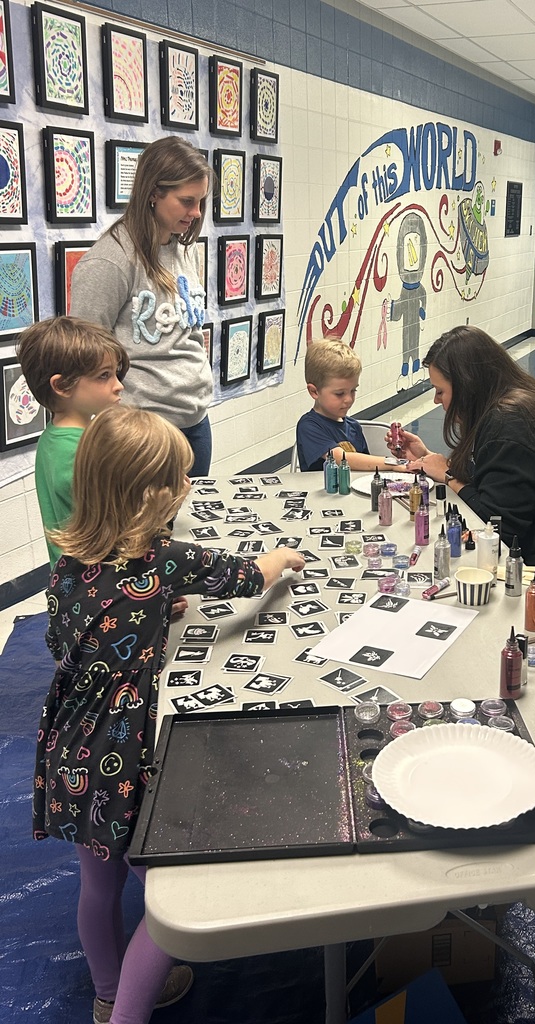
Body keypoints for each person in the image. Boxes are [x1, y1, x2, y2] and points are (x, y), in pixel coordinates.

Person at [32, 405, 304, 1024]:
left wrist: (152, 614)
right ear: (151, 497)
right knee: (169, 902)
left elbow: (65, 641)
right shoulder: (159, 561)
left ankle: (106, 996)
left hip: (71, 747)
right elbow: (242, 575)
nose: (187, 489)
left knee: (98, 886)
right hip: (126, 757)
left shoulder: (68, 565)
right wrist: (282, 559)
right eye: (179, 481)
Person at [389, 325, 535, 625]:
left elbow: (500, 526)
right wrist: (429, 458)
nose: (437, 401)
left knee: (463, 614)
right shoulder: (509, 404)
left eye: (441, 391)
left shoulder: (513, 422)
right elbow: (496, 478)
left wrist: (448, 475)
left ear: (467, 385)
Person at [69, 136, 214, 476]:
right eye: (186, 201)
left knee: (190, 526)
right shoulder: (110, 261)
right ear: (153, 193)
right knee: (150, 530)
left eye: (200, 202)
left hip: (196, 422)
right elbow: (83, 357)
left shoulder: (182, 248)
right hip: (145, 433)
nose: (195, 214)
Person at [16, 316, 129, 566]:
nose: (118, 386)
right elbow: (121, 527)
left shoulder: (53, 437)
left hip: (78, 584)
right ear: (62, 386)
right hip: (100, 587)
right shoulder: (81, 450)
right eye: (104, 376)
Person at [296, 337, 397, 472]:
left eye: (353, 390)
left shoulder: (354, 427)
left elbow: (366, 467)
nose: (349, 399)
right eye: (339, 393)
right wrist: (394, 463)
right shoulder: (309, 426)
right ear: (314, 391)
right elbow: (340, 458)